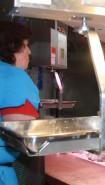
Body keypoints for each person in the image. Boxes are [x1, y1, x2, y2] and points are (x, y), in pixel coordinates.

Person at [0, 21, 40, 185]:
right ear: (11, 46)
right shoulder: (14, 77)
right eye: (25, 45)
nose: (29, 51)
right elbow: (23, 133)